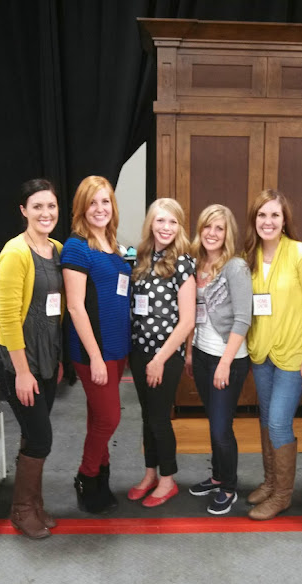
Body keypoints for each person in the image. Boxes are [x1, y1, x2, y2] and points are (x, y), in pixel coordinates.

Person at [244, 189, 302, 520]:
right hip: (261, 353)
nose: (268, 221)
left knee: (278, 422)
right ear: (254, 220)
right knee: (265, 419)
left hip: (293, 354)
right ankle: (270, 482)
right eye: (262, 215)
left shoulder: (301, 254)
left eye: (275, 215)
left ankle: (282, 495)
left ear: (285, 219)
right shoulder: (249, 256)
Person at [0, 178, 63, 539]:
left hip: (47, 360)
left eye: (51, 206)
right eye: (37, 206)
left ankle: (34, 504)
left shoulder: (58, 249)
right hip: (20, 364)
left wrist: (56, 357)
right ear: (24, 210)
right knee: (40, 439)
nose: (45, 213)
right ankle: (21, 510)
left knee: (33, 435)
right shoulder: (15, 252)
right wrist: (22, 372)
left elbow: (57, 311)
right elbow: (6, 318)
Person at [61, 175, 131, 513]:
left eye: (105, 201)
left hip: (117, 348)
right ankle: (86, 475)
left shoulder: (113, 244)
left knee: (98, 417)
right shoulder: (77, 246)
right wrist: (96, 357)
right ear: (81, 208)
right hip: (94, 351)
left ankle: (101, 478)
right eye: (92, 202)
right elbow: (76, 307)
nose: (100, 208)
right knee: (109, 419)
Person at [185, 204, 252, 515]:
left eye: (219, 228)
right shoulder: (195, 264)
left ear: (228, 234)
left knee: (221, 428)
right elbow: (192, 314)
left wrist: (225, 362)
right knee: (213, 422)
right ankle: (217, 476)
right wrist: (189, 351)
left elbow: (243, 318)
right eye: (207, 226)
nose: (212, 233)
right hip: (201, 354)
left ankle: (229, 486)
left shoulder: (235, 267)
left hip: (228, 359)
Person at [128, 198, 196, 507]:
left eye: (172, 222)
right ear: (150, 224)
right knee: (147, 417)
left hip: (164, 356)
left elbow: (187, 321)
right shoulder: (143, 258)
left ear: (180, 227)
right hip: (139, 351)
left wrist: (159, 360)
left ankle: (168, 480)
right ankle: (150, 474)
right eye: (160, 220)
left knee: (159, 418)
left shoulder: (182, 263)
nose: (166, 227)